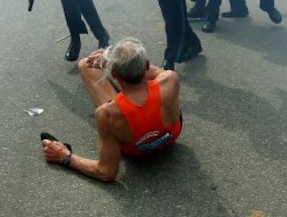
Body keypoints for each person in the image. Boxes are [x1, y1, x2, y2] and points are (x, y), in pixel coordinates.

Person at [41, 37, 182, 182]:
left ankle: (125, 82)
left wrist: (65, 156)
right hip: (170, 135)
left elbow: (106, 172)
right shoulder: (170, 79)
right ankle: (129, 76)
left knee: (86, 64)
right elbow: (155, 72)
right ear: (146, 65)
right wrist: (117, 62)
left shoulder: (107, 113)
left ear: (113, 74)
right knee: (147, 87)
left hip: (138, 150)